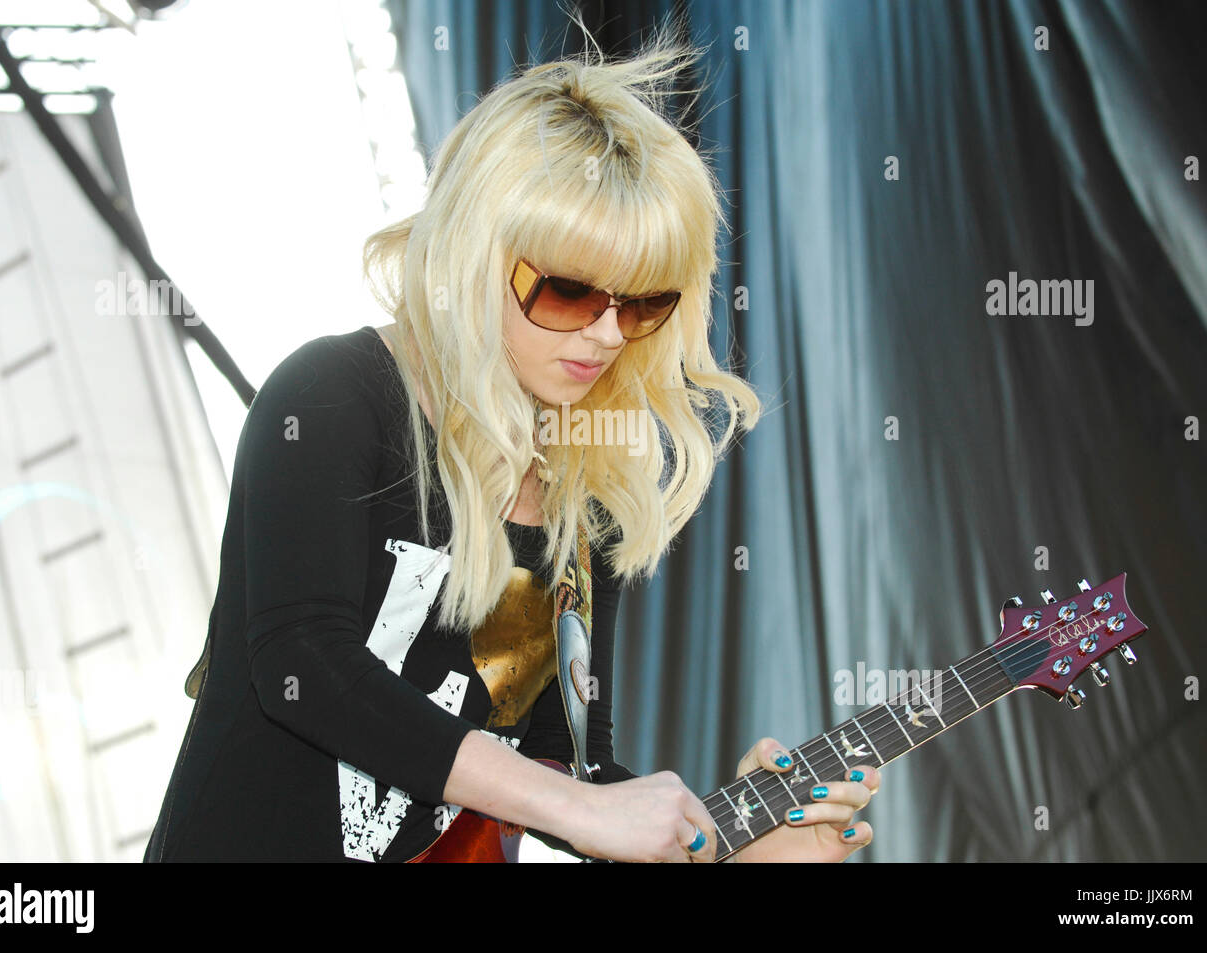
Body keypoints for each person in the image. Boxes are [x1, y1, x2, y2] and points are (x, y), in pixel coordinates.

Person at [143, 22, 878, 864]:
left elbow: (567, 767)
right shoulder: (333, 394)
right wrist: (575, 801)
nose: (607, 334)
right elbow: (303, 664)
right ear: (475, 250)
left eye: (641, 303)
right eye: (568, 290)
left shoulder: (581, 492)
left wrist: (729, 843)